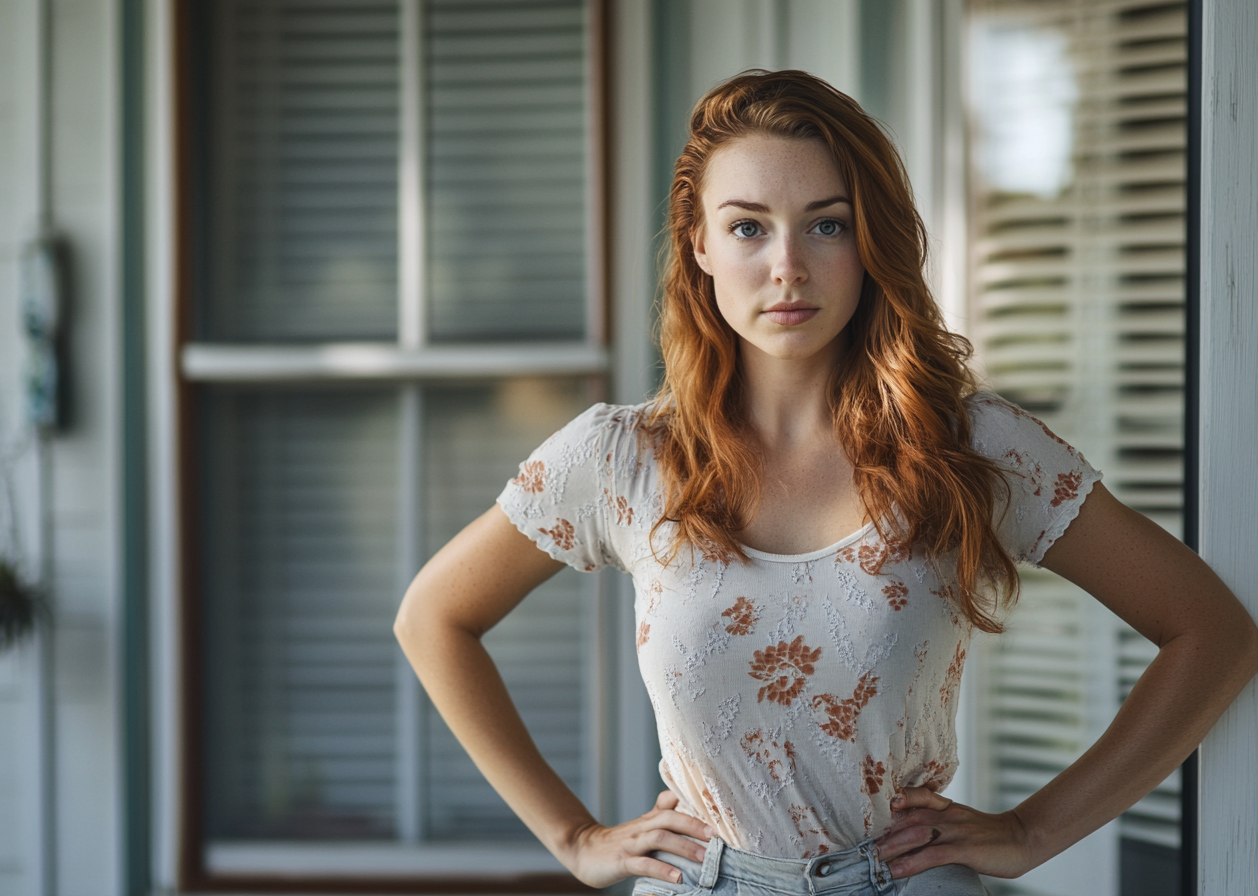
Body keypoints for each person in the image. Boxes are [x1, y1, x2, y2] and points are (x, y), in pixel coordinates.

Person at [394, 70, 1258, 896]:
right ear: (697, 243)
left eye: (827, 224)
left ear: (869, 240)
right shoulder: (620, 459)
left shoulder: (973, 447)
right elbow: (433, 618)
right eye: (747, 227)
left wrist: (1035, 831)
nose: (787, 267)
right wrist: (575, 839)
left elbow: (1210, 631)